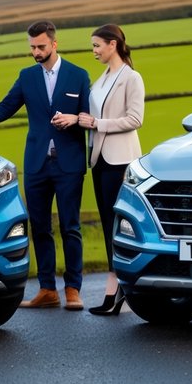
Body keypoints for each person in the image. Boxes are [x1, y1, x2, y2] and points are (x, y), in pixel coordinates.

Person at [0, 20, 91, 310]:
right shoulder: (27, 77)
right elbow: (2, 110)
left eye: (40, 46)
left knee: (70, 227)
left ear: (54, 43)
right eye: (32, 47)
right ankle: (48, 290)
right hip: (36, 165)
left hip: (69, 165)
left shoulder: (78, 75)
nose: (36, 52)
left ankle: (73, 289)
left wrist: (74, 119)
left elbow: (89, 115)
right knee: (39, 228)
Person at [52, 23, 144, 316]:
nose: (93, 51)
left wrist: (96, 124)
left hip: (120, 161)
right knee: (108, 224)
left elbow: (134, 119)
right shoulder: (102, 79)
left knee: (121, 226)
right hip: (100, 160)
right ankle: (115, 288)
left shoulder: (131, 78)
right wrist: (75, 118)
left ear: (113, 44)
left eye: (96, 45)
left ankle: (121, 289)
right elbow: (92, 115)